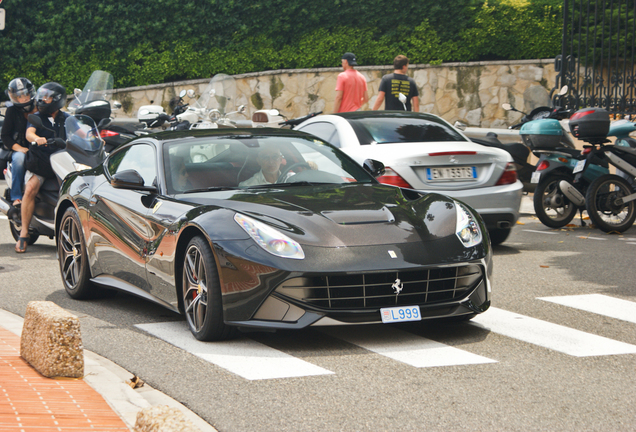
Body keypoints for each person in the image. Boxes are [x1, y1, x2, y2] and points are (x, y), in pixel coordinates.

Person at [16, 82, 69, 253]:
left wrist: (92, 138)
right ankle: (24, 233)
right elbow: (29, 132)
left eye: (47, 97)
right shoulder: (37, 117)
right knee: (30, 188)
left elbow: (82, 131)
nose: (42, 100)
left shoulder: (66, 118)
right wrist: (37, 138)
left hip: (63, 160)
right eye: (42, 96)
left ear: (58, 100)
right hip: (41, 162)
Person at [1, 78, 37, 209]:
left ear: (31, 93)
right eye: (19, 96)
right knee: (19, 159)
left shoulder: (40, 108)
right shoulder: (12, 112)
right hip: (20, 149)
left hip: (39, 148)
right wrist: (20, 148)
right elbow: (5, 136)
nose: (23, 99)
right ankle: (16, 197)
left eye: (25, 94)